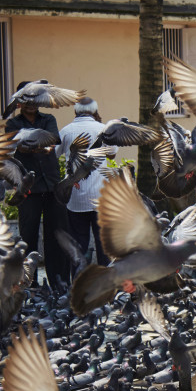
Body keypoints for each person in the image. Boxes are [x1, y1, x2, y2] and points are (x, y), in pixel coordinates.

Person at [5, 82, 69, 289]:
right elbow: (19, 147)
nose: (31, 104)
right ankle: (27, 284)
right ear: (19, 102)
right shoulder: (12, 124)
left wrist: (35, 146)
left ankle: (59, 282)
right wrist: (39, 146)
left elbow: (54, 139)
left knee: (56, 235)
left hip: (52, 185)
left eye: (35, 100)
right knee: (28, 236)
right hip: (28, 189)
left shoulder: (49, 119)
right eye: (27, 100)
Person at [56, 97, 116, 267]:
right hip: (100, 197)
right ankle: (107, 285)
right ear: (95, 111)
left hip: (76, 199)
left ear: (75, 111)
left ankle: (77, 283)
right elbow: (112, 153)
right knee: (104, 244)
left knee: (78, 245)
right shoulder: (103, 129)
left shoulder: (66, 131)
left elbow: (53, 154)